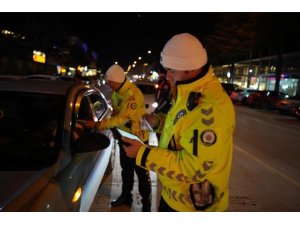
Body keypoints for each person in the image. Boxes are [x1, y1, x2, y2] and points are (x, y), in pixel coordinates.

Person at [122, 33, 235, 212]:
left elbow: (195, 168)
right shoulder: (188, 90)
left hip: (193, 208)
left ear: (189, 68)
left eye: (172, 71)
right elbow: (183, 125)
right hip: (175, 196)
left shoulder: (210, 109)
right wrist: (158, 122)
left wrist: (142, 154)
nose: (167, 76)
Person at [80, 64, 152, 212]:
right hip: (124, 138)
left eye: (109, 82)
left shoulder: (132, 94)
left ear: (115, 81)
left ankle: (146, 204)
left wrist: (98, 124)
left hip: (138, 140)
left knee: (141, 173)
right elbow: (114, 115)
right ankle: (126, 197)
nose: (108, 85)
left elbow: (121, 118)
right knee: (126, 170)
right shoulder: (117, 92)